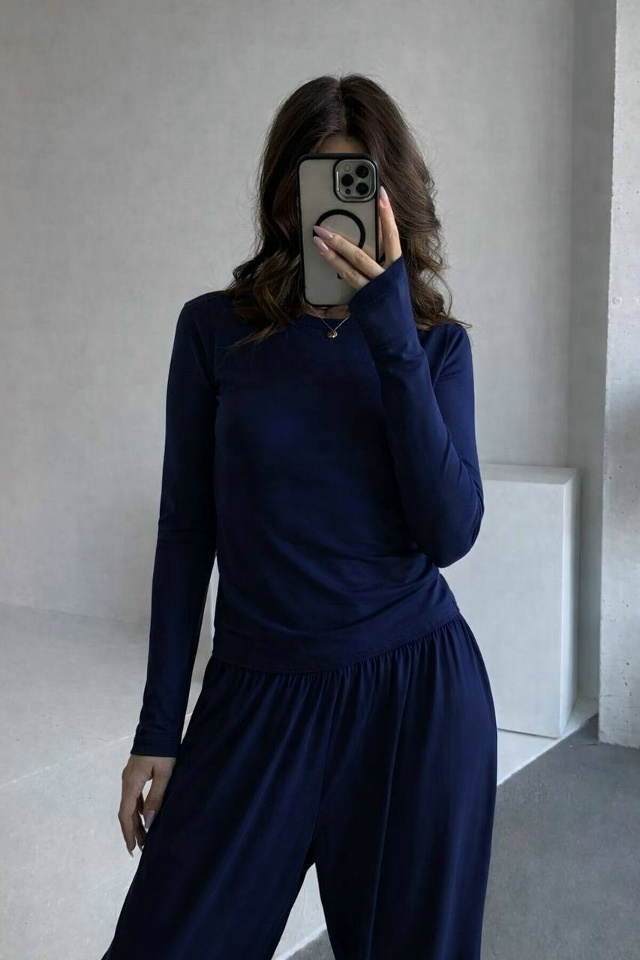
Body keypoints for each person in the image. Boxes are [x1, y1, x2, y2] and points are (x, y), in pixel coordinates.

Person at [100, 73, 497, 960]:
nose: (333, 213)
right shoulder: (214, 332)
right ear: (283, 192)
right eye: (316, 182)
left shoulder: (434, 346)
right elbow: (186, 531)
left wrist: (390, 333)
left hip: (413, 703)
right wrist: (158, 727)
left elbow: (452, 532)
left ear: (394, 199)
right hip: (255, 696)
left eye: (359, 184)